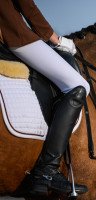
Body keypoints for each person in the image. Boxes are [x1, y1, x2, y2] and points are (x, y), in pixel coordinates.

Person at [0, 0, 90, 196]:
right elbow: (27, 6)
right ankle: (46, 171)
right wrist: (55, 39)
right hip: (11, 33)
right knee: (79, 86)